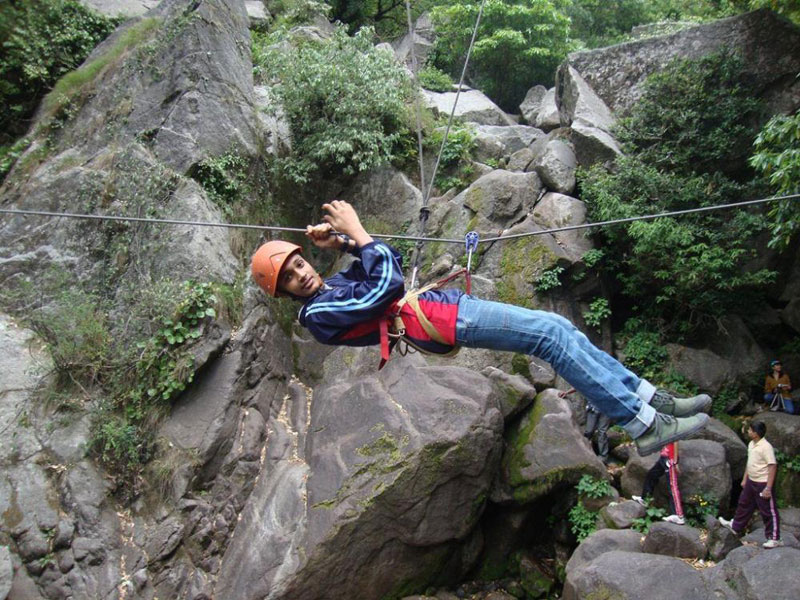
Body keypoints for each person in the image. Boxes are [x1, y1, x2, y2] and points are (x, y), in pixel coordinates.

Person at [251, 200, 712, 456]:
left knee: (556, 326)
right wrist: (363, 234)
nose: (301, 273)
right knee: (550, 337)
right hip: (440, 320)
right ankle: (642, 423)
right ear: (282, 292)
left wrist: (344, 242)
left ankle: (651, 399)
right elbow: (386, 283)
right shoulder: (317, 315)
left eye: (298, 262)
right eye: (289, 276)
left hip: (443, 308)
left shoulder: (329, 289)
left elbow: (376, 265)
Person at [718, 420, 782, 548]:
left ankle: (774, 538)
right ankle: (736, 526)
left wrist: (768, 487)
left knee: (768, 510)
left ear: (756, 433)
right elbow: (750, 462)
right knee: (744, 503)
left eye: (750, 430)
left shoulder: (766, 447)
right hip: (751, 481)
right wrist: (744, 479)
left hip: (762, 482)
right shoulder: (752, 444)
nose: (748, 431)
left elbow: (773, 466)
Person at [632, 442, 685, 525]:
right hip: (663, 457)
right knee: (651, 475)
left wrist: (675, 461)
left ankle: (679, 516)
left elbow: (675, 442)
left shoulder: (672, 430)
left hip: (670, 460)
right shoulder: (664, 429)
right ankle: (644, 498)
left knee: (672, 486)